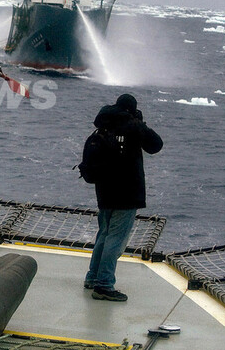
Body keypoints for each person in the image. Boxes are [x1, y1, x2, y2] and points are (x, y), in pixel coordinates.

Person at [84, 93, 163, 302]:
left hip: (104, 190)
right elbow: (156, 145)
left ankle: (93, 277)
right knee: (116, 239)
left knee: (104, 233)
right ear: (132, 109)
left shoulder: (104, 124)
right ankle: (104, 285)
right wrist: (140, 123)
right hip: (126, 192)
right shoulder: (133, 125)